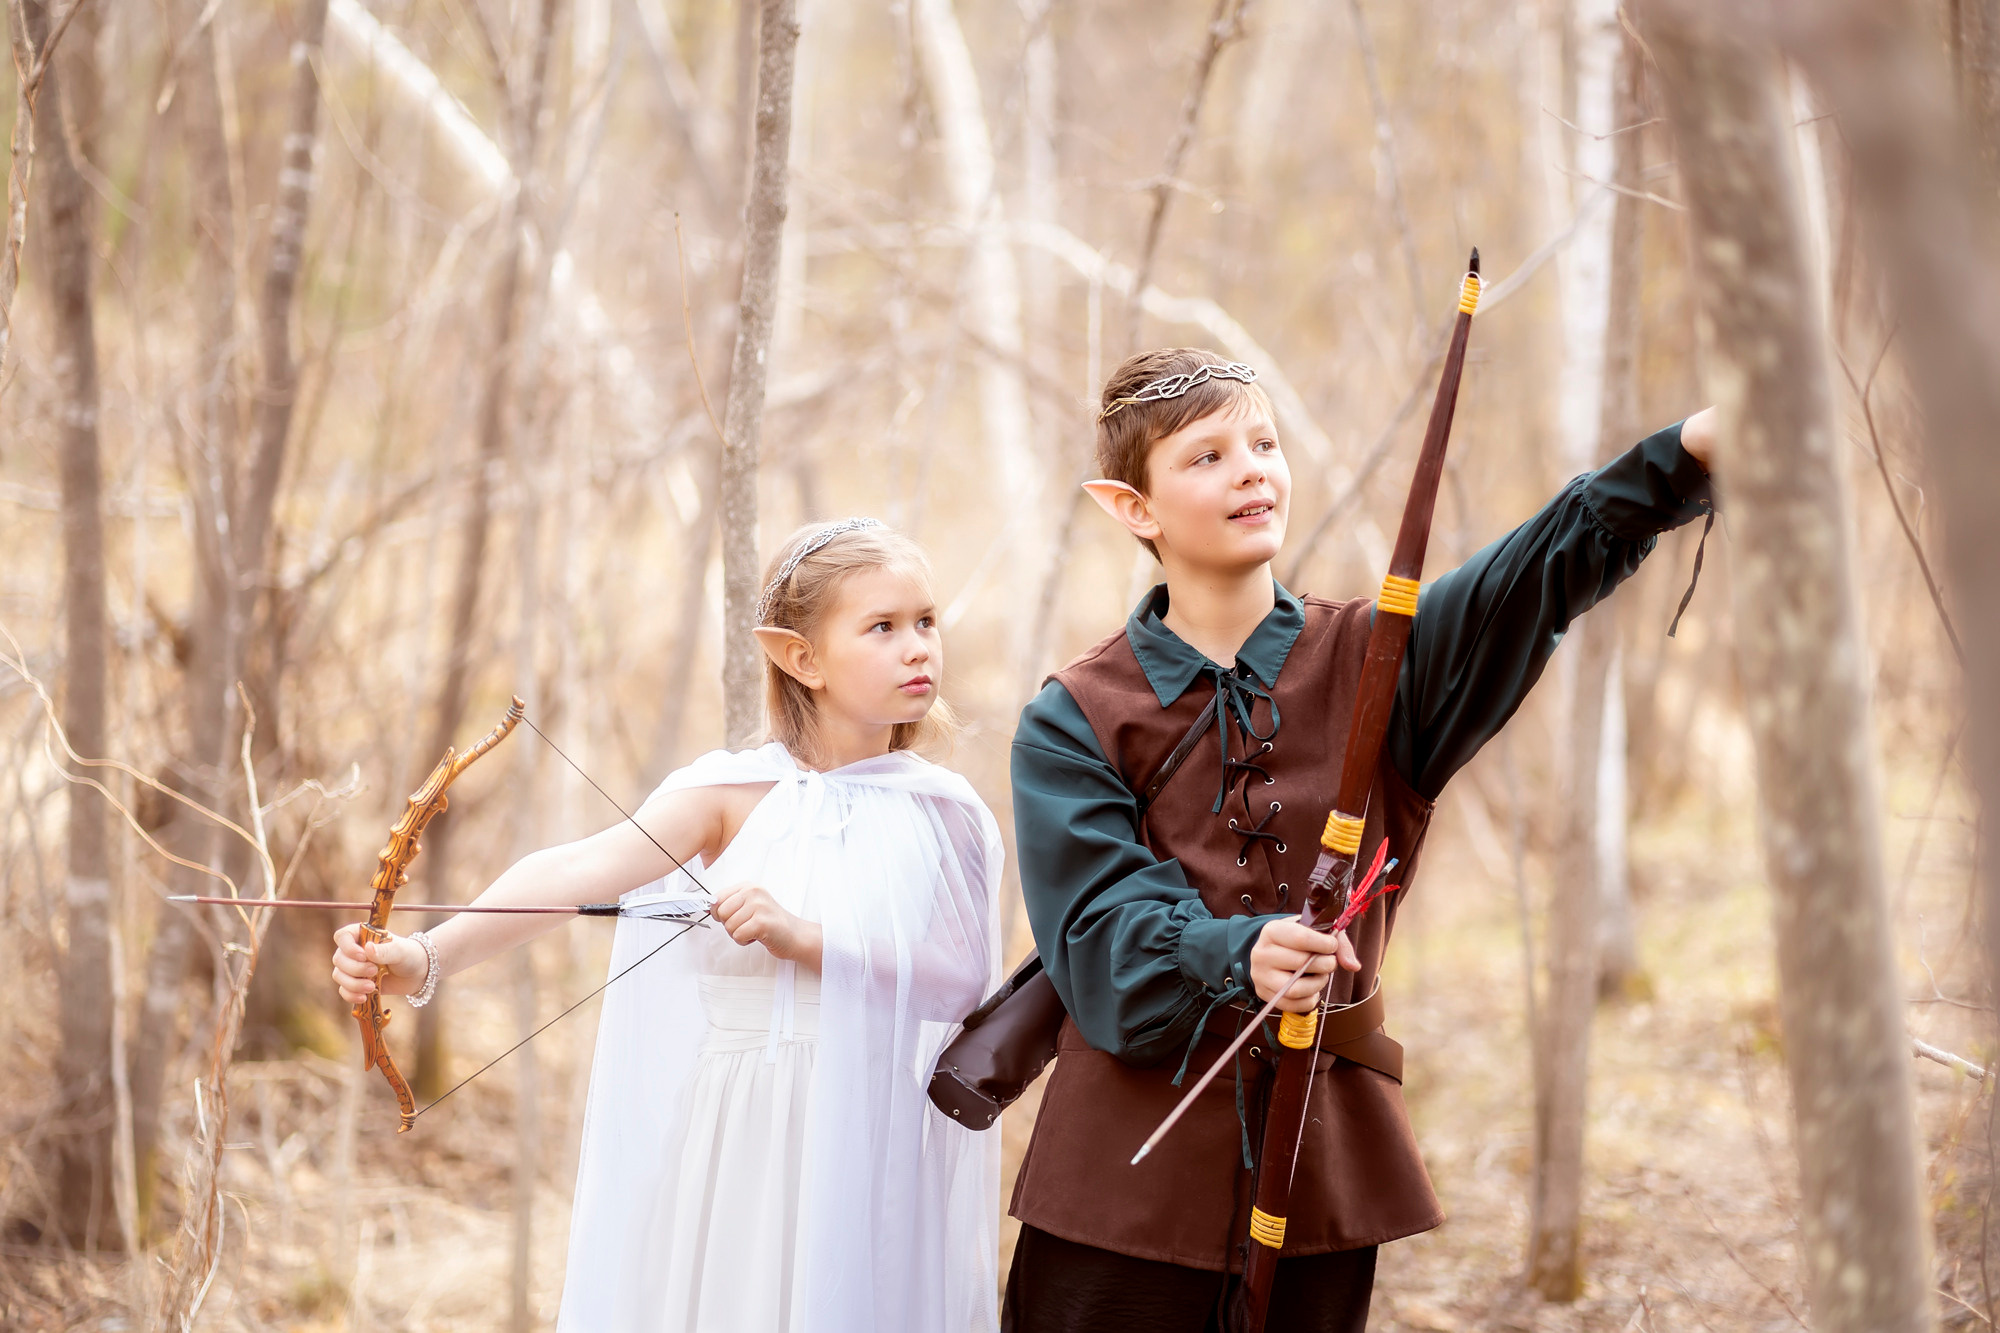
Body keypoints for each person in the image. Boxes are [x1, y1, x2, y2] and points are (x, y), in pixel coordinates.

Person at [1003, 348, 1717, 1332]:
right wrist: (1236, 951)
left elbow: (1535, 570)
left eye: (1262, 442)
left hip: (1319, 1177)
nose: (1252, 468)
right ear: (1131, 507)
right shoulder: (1074, 716)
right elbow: (1095, 940)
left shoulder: (1379, 662)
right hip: (1120, 1198)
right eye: (1206, 456)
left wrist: (1682, 454)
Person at [332, 519, 1004, 1333]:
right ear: (801, 658)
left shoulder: (945, 811)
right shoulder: (731, 793)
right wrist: (425, 954)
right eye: (883, 627)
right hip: (748, 1131)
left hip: (873, 1130)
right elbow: (576, 870)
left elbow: (960, 977)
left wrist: (804, 935)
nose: (917, 648)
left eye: (926, 621)